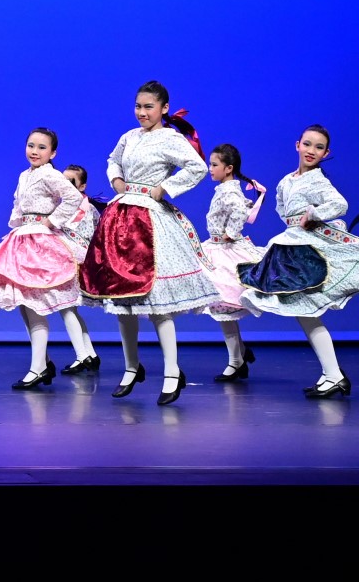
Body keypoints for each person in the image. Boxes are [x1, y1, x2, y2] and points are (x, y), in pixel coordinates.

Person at [238, 124, 359, 400]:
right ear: (297, 145)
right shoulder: (286, 180)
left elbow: (340, 205)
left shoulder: (317, 180)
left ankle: (334, 375)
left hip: (304, 250)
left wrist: (314, 214)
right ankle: (331, 374)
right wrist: (296, 222)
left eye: (318, 147)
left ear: (326, 154)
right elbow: (282, 209)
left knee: (306, 312)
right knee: (304, 313)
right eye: (307, 144)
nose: (311, 150)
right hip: (291, 246)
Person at [78, 83, 213, 405]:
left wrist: (165, 188)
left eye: (148, 106)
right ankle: (131, 366)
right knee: (122, 299)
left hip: (150, 221)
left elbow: (197, 167)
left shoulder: (170, 138)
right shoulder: (129, 136)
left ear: (164, 108)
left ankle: (172, 371)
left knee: (157, 304)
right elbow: (113, 159)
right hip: (121, 217)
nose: (142, 112)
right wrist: (116, 180)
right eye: (138, 106)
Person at [0, 128, 89, 389]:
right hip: (23, 238)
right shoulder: (25, 175)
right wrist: (17, 225)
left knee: (34, 305)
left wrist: (51, 221)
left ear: (53, 153)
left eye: (42, 147)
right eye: (31, 145)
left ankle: (38, 368)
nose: (35, 151)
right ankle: (42, 364)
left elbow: (73, 197)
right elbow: (18, 204)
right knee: (25, 305)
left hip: (40, 242)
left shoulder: (51, 174)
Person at [195, 143, 268, 381]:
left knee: (223, 305)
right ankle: (240, 355)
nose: (210, 169)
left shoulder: (229, 191)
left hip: (225, 252)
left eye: (214, 165)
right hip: (216, 248)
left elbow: (239, 211)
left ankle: (236, 361)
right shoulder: (226, 189)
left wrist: (231, 232)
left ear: (229, 168)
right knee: (224, 307)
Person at [56, 163, 104, 372]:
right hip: (71, 259)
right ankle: (89, 354)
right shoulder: (70, 206)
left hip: (75, 261)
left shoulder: (85, 208)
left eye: (70, 182)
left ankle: (82, 356)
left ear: (82, 186)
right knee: (70, 309)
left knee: (66, 307)